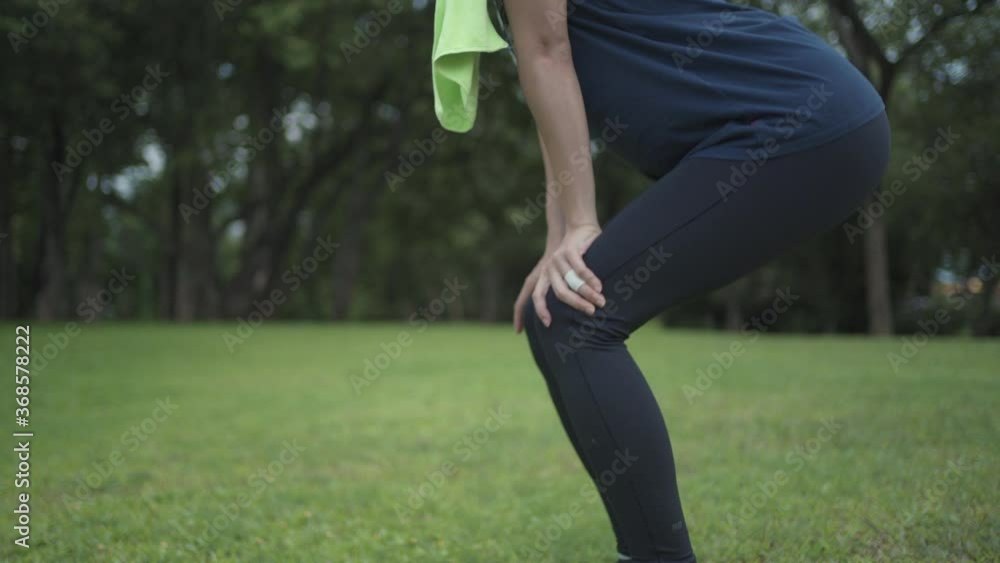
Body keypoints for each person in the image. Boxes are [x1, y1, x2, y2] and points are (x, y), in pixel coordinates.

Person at [436, 0, 890, 560]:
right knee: (554, 309)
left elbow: (549, 53)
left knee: (574, 316)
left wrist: (581, 223)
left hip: (797, 119)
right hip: (804, 119)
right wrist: (559, 239)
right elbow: (549, 81)